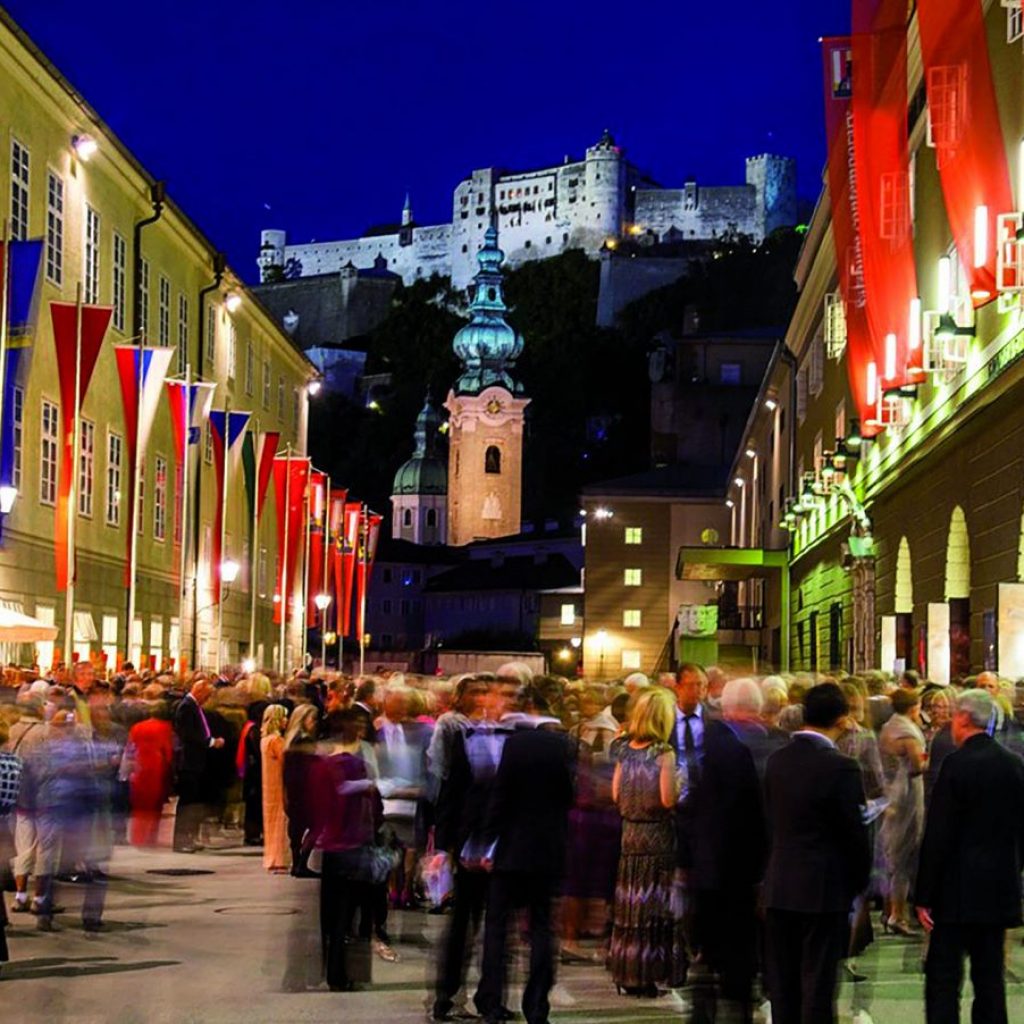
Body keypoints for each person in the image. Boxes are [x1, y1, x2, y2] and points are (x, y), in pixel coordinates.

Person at [763, 682, 871, 1024]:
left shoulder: (777, 761)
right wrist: (857, 882)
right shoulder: (842, 767)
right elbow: (854, 835)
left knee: (784, 985)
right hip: (824, 890)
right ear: (841, 719)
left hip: (781, 885)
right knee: (818, 986)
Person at [915, 689, 1024, 1024]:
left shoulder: (955, 765)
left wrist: (923, 895)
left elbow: (939, 834)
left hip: (955, 891)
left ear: (962, 718)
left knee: (944, 979)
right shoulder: (1014, 765)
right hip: (997, 888)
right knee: (990, 978)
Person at [675, 667, 767, 1023]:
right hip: (745, 871)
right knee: (741, 957)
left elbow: (691, 805)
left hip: (709, 866)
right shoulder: (770, 743)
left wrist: (686, 861)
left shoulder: (706, 743)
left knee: (708, 952)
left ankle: (703, 1012)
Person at [474, 706, 575, 1024]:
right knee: (543, 932)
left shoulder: (513, 746)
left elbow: (500, 797)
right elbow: (569, 797)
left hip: (510, 851)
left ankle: (492, 1003)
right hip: (548, 851)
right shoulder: (564, 746)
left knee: (498, 930)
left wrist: (486, 845)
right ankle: (537, 1008)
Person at [607, 687, 684, 996]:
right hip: (656, 839)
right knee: (652, 908)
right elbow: (667, 798)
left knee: (629, 908)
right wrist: (681, 784)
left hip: (629, 838)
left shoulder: (625, 750)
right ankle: (648, 974)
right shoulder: (663, 753)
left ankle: (627, 972)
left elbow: (615, 793)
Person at [878, 688, 926, 935]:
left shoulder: (889, 727)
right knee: (904, 857)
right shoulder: (907, 731)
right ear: (913, 707)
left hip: (891, 794)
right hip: (907, 796)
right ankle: (898, 914)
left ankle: (891, 911)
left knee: (892, 856)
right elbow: (917, 765)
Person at [172, 677, 224, 853]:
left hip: (196, 762)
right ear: (199, 692)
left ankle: (190, 837)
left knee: (193, 801)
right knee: (187, 802)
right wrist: (211, 742)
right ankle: (181, 840)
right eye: (207, 696)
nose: (207, 700)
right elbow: (188, 735)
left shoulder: (194, 706)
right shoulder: (186, 707)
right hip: (189, 761)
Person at [126, 692, 175, 847]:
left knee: (139, 804)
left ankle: (137, 837)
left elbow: (130, 747)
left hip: (139, 765)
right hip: (157, 766)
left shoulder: (137, 727)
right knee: (155, 804)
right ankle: (150, 837)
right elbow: (168, 750)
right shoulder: (166, 728)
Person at [283, 703, 320, 875]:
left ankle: (296, 862)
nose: (315, 723)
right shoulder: (305, 741)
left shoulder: (291, 740)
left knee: (296, 828)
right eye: (312, 719)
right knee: (316, 825)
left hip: (293, 788)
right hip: (305, 788)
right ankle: (301, 863)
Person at [260, 704, 290, 872]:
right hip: (279, 784)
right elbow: (286, 762)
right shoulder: (277, 741)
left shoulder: (264, 739)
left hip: (268, 784)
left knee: (270, 822)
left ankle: (271, 857)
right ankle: (279, 858)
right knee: (280, 822)